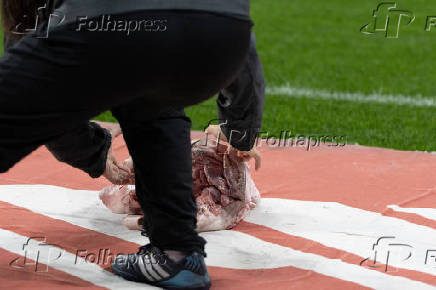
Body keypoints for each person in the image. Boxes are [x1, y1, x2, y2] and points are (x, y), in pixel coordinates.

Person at [0, 0, 264, 289]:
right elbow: (228, 29)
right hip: (223, 34)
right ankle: (175, 255)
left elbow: (40, 93)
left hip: (122, 29)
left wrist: (92, 153)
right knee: (153, 96)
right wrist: (238, 131)